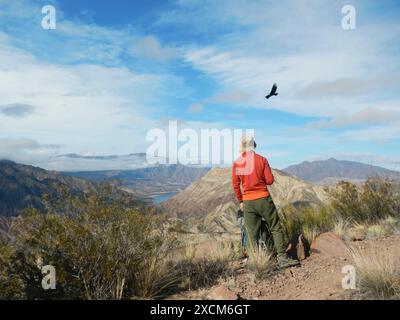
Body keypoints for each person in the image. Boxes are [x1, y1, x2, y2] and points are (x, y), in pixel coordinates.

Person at [232, 135, 299, 268]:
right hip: (263, 199)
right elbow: (269, 180)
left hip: (248, 202)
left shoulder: (237, 163)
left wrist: (241, 201)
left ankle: (254, 261)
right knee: (275, 227)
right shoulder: (262, 160)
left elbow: (235, 184)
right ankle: (282, 258)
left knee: (252, 234)